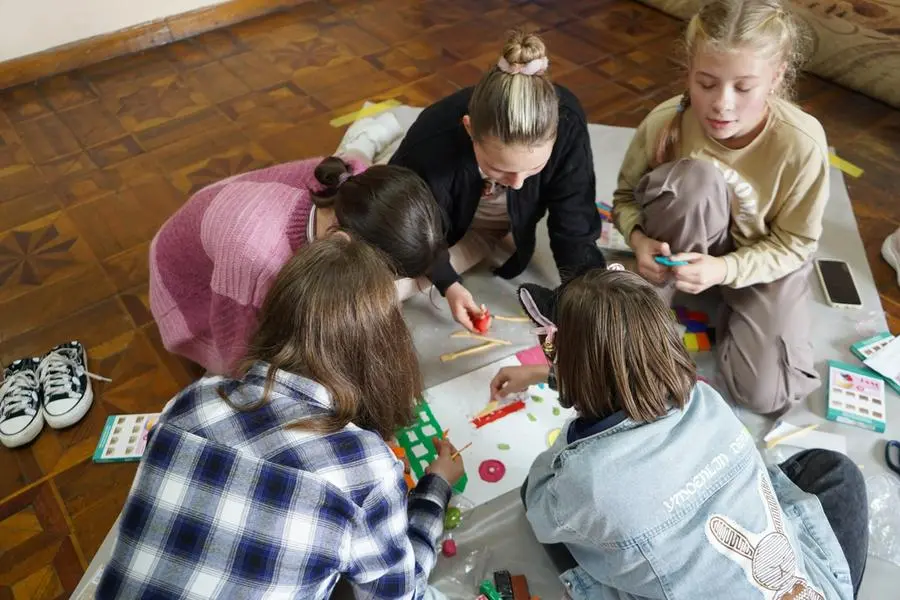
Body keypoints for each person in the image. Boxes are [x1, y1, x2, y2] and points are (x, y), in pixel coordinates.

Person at [100, 236, 464, 599]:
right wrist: (435, 488)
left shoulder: (192, 399)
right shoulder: (367, 467)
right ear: (383, 351)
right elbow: (399, 595)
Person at [491, 267, 868, 600]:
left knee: (541, 502)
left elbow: (541, 498)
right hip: (810, 587)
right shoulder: (706, 398)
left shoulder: (584, 480)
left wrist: (569, 386)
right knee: (831, 468)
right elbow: (633, 373)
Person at [611, 0, 826, 416]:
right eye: (706, 84)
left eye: (743, 88)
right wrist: (638, 241)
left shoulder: (801, 143)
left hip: (764, 259)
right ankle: (666, 294)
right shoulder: (666, 122)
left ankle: (729, 304)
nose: (722, 105)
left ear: (777, 76)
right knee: (694, 179)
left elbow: (796, 243)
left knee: (762, 396)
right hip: (688, 246)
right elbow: (624, 199)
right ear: (688, 72)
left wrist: (725, 272)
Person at [150, 114, 444, 375]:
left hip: (227, 229)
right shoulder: (256, 256)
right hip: (187, 286)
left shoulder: (356, 185)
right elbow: (238, 353)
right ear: (342, 241)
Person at [390, 29, 606, 333]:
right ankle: (370, 137)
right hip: (438, 218)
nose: (517, 184)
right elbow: (410, 227)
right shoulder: (432, 140)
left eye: (533, 169)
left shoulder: (567, 123)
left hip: (487, 229)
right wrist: (449, 284)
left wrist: (591, 299)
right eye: (499, 168)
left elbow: (575, 226)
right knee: (384, 284)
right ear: (469, 129)